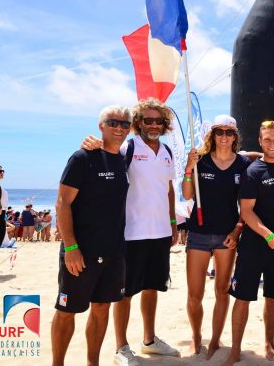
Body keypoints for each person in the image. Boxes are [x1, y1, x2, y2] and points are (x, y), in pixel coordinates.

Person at [81, 98, 180, 365]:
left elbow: (168, 190)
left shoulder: (168, 151)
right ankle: (121, 347)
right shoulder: (128, 146)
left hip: (159, 231)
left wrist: (172, 223)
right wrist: (93, 143)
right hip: (131, 232)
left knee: (152, 287)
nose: (153, 124)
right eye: (147, 120)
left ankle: (149, 340)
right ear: (138, 122)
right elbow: (105, 153)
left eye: (158, 120)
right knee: (123, 291)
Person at [51, 105, 132, 366]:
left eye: (124, 124)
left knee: (101, 308)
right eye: (113, 122)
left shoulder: (123, 159)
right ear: (101, 126)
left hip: (114, 251)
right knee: (67, 310)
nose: (119, 128)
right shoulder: (82, 157)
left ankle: (92, 363)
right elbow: (62, 203)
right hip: (81, 251)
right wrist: (71, 247)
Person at [223, 121, 274, 366]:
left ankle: (268, 342)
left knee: (273, 296)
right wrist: (268, 235)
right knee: (242, 297)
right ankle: (235, 351)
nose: (272, 144)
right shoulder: (253, 171)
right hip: (255, 244)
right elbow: (247, 211)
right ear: (260, 141)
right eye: (267, 139)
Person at [182, 115, 251, 359]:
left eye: (229, 132)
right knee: (194, 294)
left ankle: (214, 339)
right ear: (213, 135)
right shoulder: (199, 160)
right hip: (198, 233)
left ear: (235, 136)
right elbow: (188, 194)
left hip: (227, 235)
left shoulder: (243, 164)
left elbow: (246, 205)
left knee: (222, 291)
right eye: (219, 132)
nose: (224, 136)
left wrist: (238, 229)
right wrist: (189, 169)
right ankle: (196, 336)